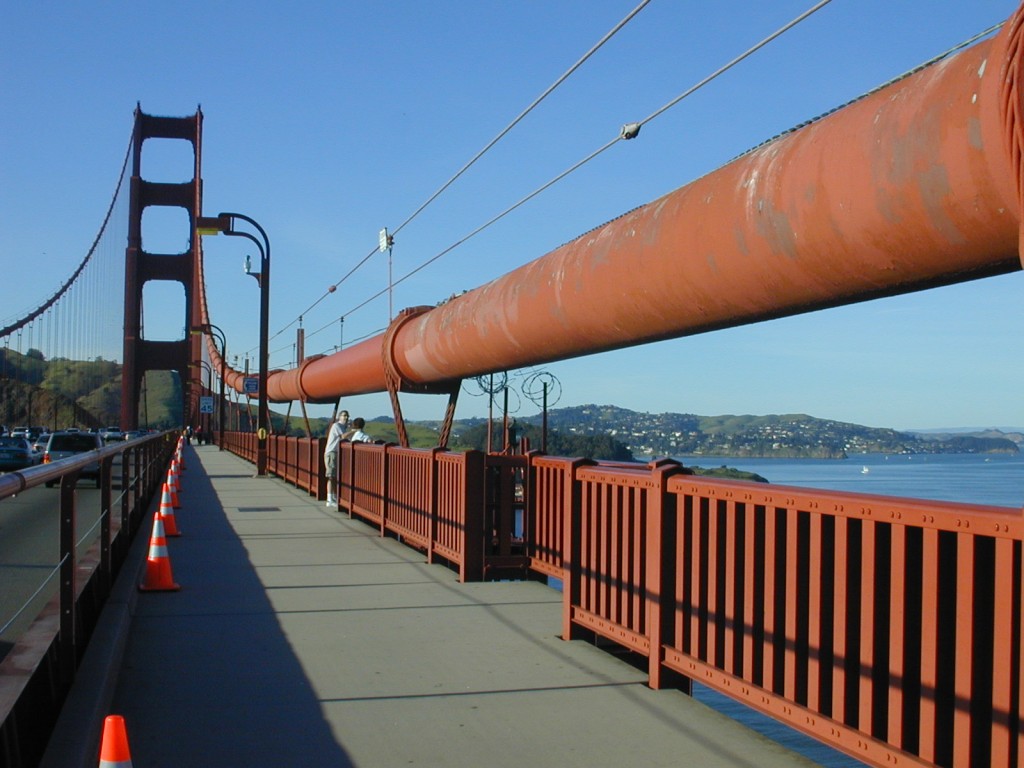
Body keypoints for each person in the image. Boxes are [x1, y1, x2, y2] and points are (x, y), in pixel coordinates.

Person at [323, 410, 349, 507]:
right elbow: (343, 436)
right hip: (331, 452)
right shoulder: (336, 426)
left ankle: (333, 497)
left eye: (347, 416)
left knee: (334, 477)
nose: (346, 418)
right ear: (339, 417)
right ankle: (329, 499)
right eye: (344, 415)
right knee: (331, 476)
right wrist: (353, 431)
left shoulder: (343, 427)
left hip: (336, 453)